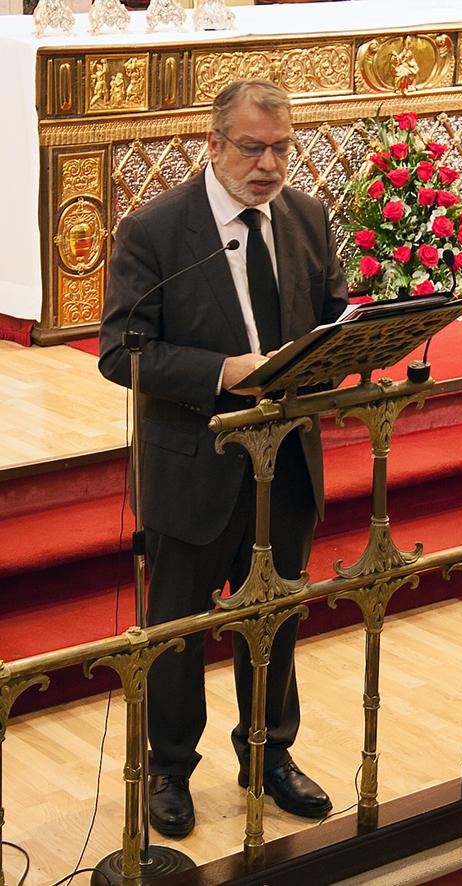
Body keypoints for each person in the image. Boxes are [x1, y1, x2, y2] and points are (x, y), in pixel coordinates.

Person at [99, 79, 348, 838]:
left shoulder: (306, 217)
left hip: (287, 459)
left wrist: (359, 337)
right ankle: (170, 768)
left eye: (281, 149)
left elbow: (331, 314)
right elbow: (121, 351)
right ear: (213, 145)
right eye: (252, 149)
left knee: (275, 615)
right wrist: (222, 371)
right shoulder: (154, 230)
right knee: (176, 626)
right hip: (193, 461)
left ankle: (270, 754)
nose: (268, 165)